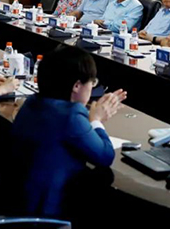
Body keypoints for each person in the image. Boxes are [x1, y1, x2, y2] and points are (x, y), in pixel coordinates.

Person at [10, 46, 126, 218]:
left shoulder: (32, 102)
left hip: (15, 203)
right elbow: (105, 156)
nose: (92, 88)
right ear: (77, 86)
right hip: (44, 213)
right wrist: (96, 120)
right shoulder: (71, 116)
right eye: (92, 83)